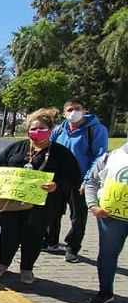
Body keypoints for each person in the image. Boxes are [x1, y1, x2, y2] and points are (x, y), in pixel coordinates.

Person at [0, 108, 81, 284]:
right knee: (9, 233)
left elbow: (73, 178)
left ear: (50, 130)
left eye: (41, 129)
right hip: (11, 201)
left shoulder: (61, 153)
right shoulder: (16, 147)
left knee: (33, 235)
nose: (36, 132)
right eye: (32, 129)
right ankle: (2, 263)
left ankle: (27, 269)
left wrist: (57, 185)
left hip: (41, 204)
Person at [44, 100, 109, 263]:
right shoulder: (59, 130)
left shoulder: (95, 130)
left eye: (78, 109)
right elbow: (48, 151)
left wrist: (87, 180)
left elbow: (99, 157)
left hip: (79, 180)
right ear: (64, 113)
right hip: (57, 179)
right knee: (52, 211)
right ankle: (51, 242)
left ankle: (72, 247)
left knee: (77, 216)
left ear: (84, 110)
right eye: (70, 110)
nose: (74, 112)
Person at [84, 143, 128, 303]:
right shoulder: (111, 156)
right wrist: (93, 205)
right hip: (111, 218)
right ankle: (105, 292)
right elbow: (92, 182)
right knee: (107, 255)